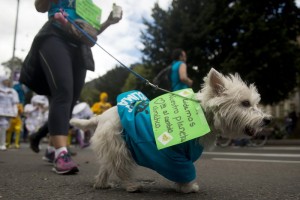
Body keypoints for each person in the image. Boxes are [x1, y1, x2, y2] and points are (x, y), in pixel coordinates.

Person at [20, 0, 122, 174]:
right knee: (63, 93)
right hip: (54, 36)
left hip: (81, 48)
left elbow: (92, 33)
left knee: (69, 101)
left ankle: (50, 147)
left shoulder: (87, 4)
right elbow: (39, 6)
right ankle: (61, 154)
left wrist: (109, 21)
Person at [0, 76, 19, 151]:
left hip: (8, 111)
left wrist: (15, 112)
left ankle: (2, 143)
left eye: (7, 80)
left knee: (6, 127)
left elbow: (14, 103)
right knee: (3, 125)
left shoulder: (12, 91)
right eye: (5, 80)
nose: (7, 82)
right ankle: (2, 144)